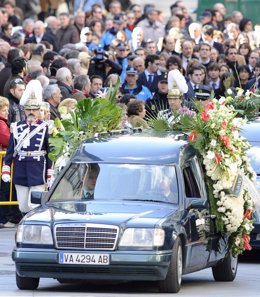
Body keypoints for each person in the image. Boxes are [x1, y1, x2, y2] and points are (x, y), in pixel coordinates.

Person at [2, 98, 53, 215]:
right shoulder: (16, 127)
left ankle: (34, 227)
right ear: (24, 111)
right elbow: (10, 150)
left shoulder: (45, 127)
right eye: (28, 109)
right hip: (20, 169)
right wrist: (6, 169)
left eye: (34, 109)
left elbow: (50, 152)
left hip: (38, 169)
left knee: (34, 204)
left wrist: (50, 173)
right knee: (23, 205)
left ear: (38, 111)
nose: (31, 112)